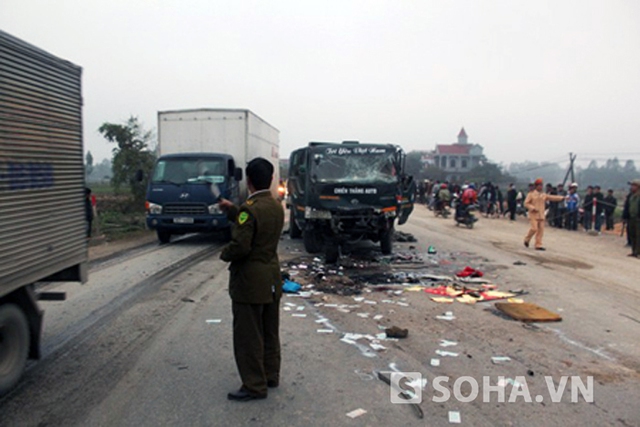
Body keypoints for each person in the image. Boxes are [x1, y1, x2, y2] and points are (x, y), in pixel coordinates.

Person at [218, 158, 285, 401]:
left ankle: (254, 385)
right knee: (269, 330)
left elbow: (241, 246)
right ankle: (270, 375)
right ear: (269, 179)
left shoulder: (250, 208)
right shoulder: (276, 205)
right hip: (271, 280)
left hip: (250, 282)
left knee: (248, 335)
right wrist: (232, 210)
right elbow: (257, 222)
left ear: (249, 180)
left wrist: (225, 254)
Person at [523, 178, 565, 250]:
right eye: (539, 185)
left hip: (541, 215)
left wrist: (562, 198)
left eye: (541, 185)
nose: (541, 187)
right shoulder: (531, 194)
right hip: (533, 215)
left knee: (540, 231)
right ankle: (527, 239)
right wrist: (532, 208)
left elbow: (552, 197)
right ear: (536, 186)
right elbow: (526, 203)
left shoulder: (543, 195)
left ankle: (538, 245)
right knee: (534, 228)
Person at [623, 179, 640, 256]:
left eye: (633, 185)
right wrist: (625, 216)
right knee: (632, 235)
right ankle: (634, 251)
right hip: (631, 218)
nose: (632, 187)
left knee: (638, 236)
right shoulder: (630, 196)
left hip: (638, 218)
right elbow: (627, 207)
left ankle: (638, 252)